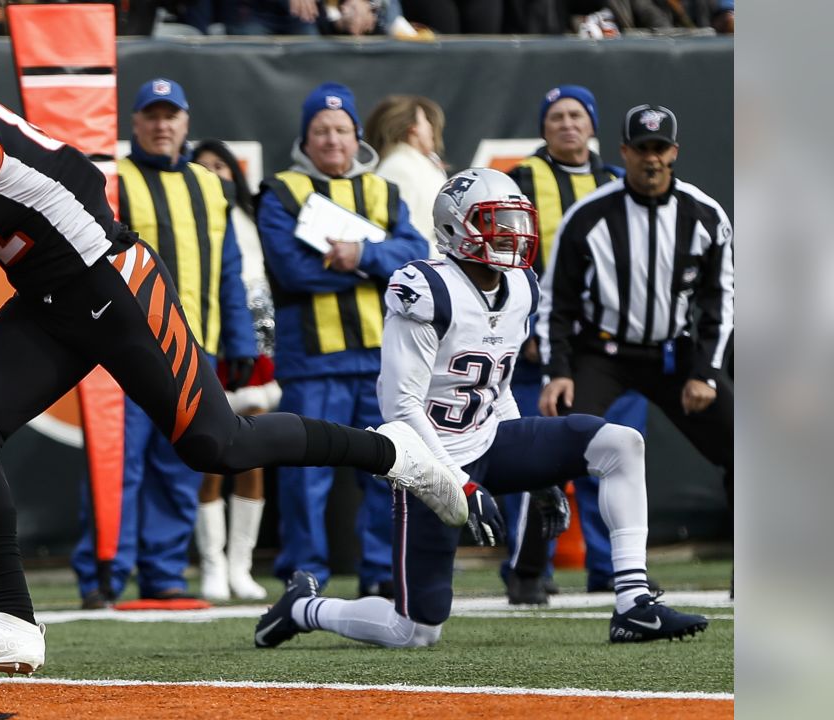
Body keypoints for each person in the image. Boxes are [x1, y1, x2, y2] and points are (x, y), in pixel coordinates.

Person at [0, 34, 464, 676]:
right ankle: (14, 622)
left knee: (220, 446)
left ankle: (396, 455)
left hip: (109, 279)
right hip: (49, 297)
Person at [254, 168, 711, 650]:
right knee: (414, 630)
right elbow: (399, 407)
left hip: (489, 438)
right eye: (496, 221)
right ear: (455, 227)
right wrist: (460, 481)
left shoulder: (521, 287)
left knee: (621, 443)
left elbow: (498, 387)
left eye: (516, 220)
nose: (512, 233)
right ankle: (304, 608)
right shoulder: (425, 287)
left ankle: (633, 605)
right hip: (426, 462)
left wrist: (534, 471)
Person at [69, 80, 258, 608]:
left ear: (185, 121)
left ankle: (165, 574)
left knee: (181, 465)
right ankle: (106, 573)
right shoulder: (114, 180)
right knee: (118, 465)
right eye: (151, 114)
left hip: (196, 348)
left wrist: (239, 342)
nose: (161, 124)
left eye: (170, 114)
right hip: (125, 347)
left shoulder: (209, 184)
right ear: (134, 122)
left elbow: (229, 269)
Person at [257, 82, 432, 598]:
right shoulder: (281, 191)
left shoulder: (383, 190)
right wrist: (373, 266)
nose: (332, 140)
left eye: (341, 129)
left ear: (358, 136)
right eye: (321, 130)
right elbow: (291, 272)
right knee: (305, 478)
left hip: (381, 361)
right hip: (312, 361)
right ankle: (304, 574)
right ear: (305, 139)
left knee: (386, 471)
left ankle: (381, 572)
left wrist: (362, 256)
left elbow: (414, 254)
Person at [538, 104, 734, 515]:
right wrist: (558, 370)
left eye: (659, 148)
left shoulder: (704, 215)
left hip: (672, 355)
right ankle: (527, 575)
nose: (652, 159)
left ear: (674, 152)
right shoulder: (588, 216)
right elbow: (558, 300)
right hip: (601, 353)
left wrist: (706, 373)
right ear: (624, 151)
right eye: (642, 148)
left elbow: (721, 299)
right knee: (551, 455)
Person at [504, 84, 647, 603]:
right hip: (543, 345)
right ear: (544, 128)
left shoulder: (616, 180)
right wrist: (529, 329)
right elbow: (508, 258)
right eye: (557, 117)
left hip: (609, 346)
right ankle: (526, 569)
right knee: (538, 458)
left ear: (593, 125)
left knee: (613, 451)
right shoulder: (522, 177)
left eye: (577, 115)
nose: (567, 124)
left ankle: (612, 569)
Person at [191, 138, 280, 601]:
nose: (213, 175)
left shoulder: (253, 216)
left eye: (220, 166)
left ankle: (241, 567)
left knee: (254, 454)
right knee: (210, 454)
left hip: (256, 349)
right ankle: (212, 565)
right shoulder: (192, 216)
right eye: (202, 168)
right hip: (207, 341)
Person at [365, 94, 448, 253]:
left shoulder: (419, 164)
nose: (431, 127)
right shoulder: (397, 168)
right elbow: (402, 236)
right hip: (422, 269)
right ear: (412, 127)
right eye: (425, 120)